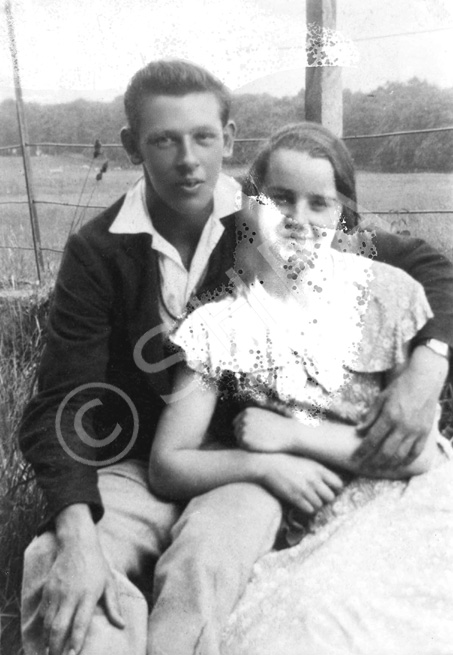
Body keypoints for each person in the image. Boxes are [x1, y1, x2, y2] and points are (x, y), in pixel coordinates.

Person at [18, 58, 453, 655]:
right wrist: (74, 528)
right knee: (59, 562)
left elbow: (426, 268)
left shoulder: (266, 217)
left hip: (239, 455)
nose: (188, 159)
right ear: (130, 146)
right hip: (136, 462)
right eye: (163, 140)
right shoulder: (98, 251)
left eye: (203, 137)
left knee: (208, 562)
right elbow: (62, 400)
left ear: (229, 139)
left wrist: (429, 364)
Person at [149, 121, 453, 654]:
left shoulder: (385, 294)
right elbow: (168, 460)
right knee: (292, 625)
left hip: (397, 501)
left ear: (343, 218)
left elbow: (418, 454)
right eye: (280, 199)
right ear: (249, 204)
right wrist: (261, 461)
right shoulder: (221, 318)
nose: (298, 219)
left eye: (320, 204)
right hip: (292, 502)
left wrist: (287, 436)